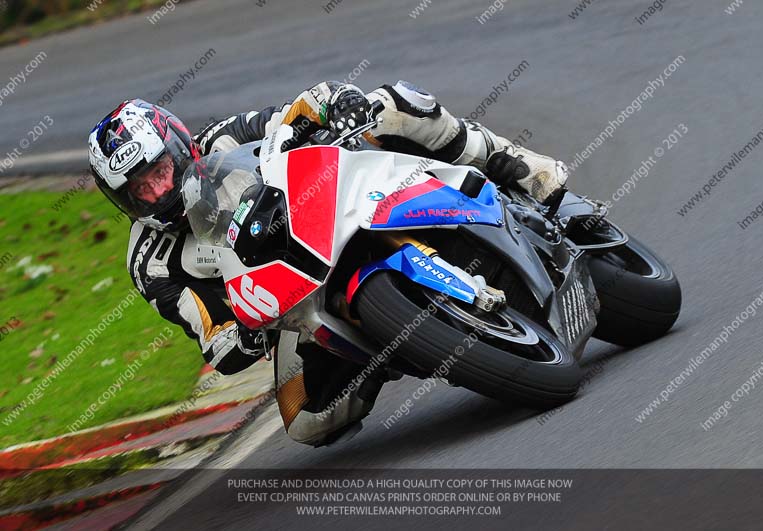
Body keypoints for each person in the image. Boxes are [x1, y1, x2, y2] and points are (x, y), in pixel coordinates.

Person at [87, 80, 569, 446]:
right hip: (289, 306)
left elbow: (295, 113)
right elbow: (208, 332)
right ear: (121, 200)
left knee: (392, 104)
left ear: (177, 146)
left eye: (159, 171)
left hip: (336, 211)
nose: (157, 192)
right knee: (307, 420)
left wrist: (335, 103)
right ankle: (384, 345)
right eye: (138, 190)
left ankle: (516, 166)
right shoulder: (149, 259)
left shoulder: (222, 140)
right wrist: (243, 336)